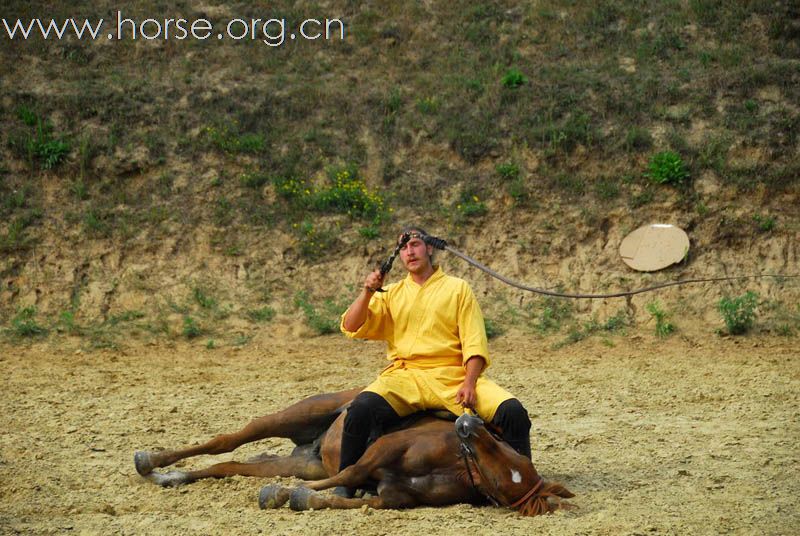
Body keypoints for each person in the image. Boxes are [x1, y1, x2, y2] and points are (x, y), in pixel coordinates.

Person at [337, 225, 531, 496]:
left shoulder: (457, 288)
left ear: (429, 248)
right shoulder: (390, 294)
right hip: (405, 377)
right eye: (403, 247)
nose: (409, 251)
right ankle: (345, 483)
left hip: (452, 376)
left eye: (415, 244)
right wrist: (368, 291)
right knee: (359, 410)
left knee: (513, 413)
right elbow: (351, 324)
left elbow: (474, 342)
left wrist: (470, 382)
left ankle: (525, 478)